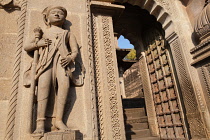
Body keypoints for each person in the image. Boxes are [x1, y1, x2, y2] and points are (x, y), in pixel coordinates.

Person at [24, 6, 78, 135]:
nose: (57, 15)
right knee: (43, 88)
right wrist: (39, 43)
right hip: (44, 63)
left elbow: (75, 51)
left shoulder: (67, 34)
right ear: (47, 17)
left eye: (60, 13)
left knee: (64, 86)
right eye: (54, 13)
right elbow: (27, 46)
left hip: (62, 62)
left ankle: (59, 120)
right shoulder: (42, 32)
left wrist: (70, 58)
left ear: (64, 19)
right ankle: (40, 124)